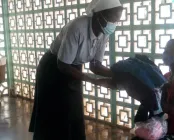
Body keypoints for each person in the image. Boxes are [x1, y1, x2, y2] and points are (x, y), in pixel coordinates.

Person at [28, 0, 123, 139]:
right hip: (53, 68)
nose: (113, 24)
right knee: (53, 111)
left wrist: (117, 75)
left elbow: (95, 65)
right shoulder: (77, 27)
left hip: (74, 68)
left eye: (117, 21)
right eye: (112, 19)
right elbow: (63, 65)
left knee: (73, 110)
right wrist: (93, 81)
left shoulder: (104, 32)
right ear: (98, 16)